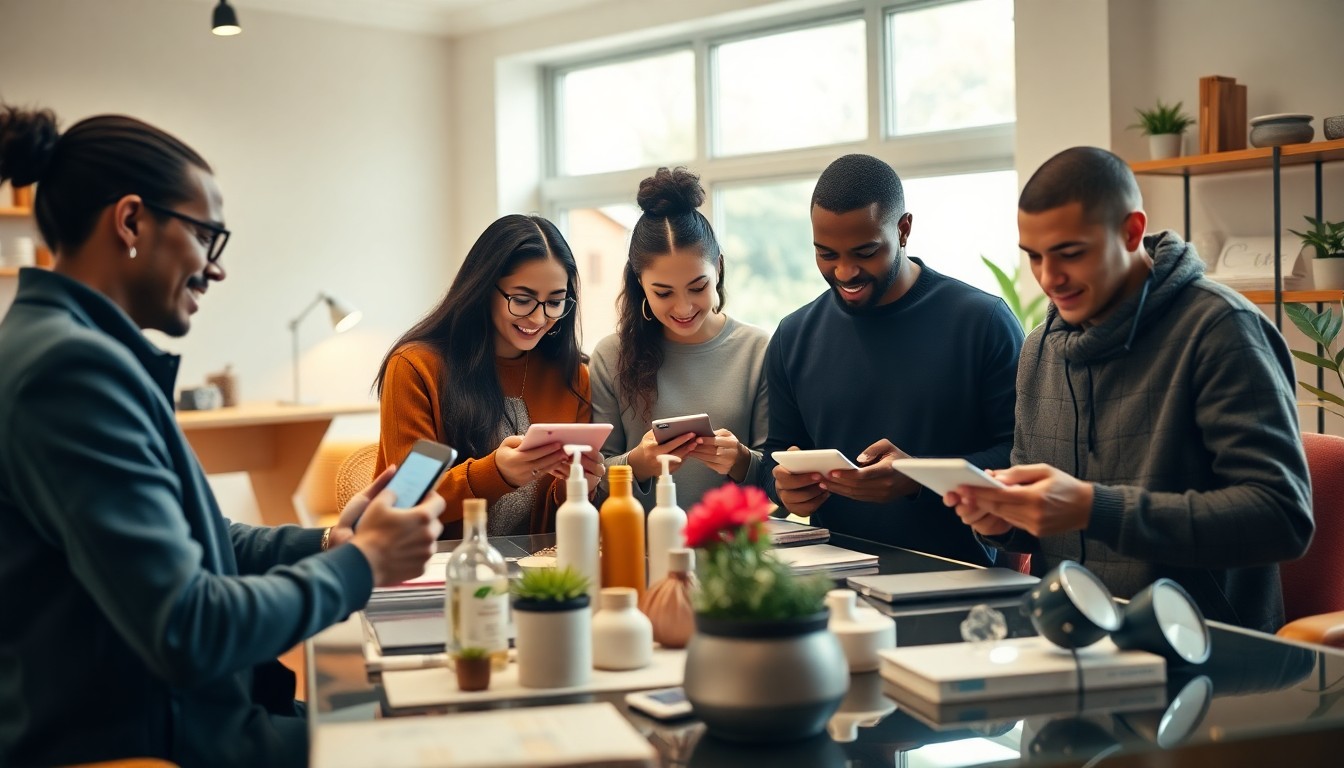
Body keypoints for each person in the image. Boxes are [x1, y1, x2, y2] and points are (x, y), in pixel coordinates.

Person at [0, 105, 444, 767]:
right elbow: (191, 627)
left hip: (192, 718)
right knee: (435, 731)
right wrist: (364, 564)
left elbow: (200, 539)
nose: (216, 268)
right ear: (130, 221)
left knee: (388, 698)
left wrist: (330, 540)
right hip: (162, 743)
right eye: (208, 235)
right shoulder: (71, 372)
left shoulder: (72, 350)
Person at [944, 146, 1314, 632]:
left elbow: (1281, 519)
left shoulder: (1222, 331)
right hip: (1072, 642)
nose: (1049, 278)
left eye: (1070, 253)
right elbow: (1050, 523)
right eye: (1034, 257)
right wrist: (1005, 520)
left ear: (1132, 231)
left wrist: (1092, 508)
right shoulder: (1040, 349)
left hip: (1208, 655)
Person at [761, 154, 1024, 566]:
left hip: (959, 582)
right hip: (832, 580)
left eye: (865, 252)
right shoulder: (793, 335)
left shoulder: (982, 322)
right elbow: (777, 453)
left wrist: (920, 477)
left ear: (903, 230)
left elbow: (1020, 456)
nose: (845, 272)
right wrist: (783, 487)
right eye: (826, 254)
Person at [375, 214, 602, 538]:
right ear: (483, 289)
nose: (539, 317)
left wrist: (578, 488)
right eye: (522, 300)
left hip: (535, 572)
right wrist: (495, 473)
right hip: (430, 568)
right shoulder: (415, 367)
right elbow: (406, 500)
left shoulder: (571, 377)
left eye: (555, 302)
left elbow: (558, 531)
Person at [590, 167, 770, 505]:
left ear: (717, 268)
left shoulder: (757, 350)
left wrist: (742, 461)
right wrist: (638, 464)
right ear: (639, 283)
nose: (683, 307)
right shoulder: (611, 355)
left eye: (697, 287)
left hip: (734, 553)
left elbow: (783, 487)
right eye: (663, 293)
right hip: (640, 550)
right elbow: (592, 485)